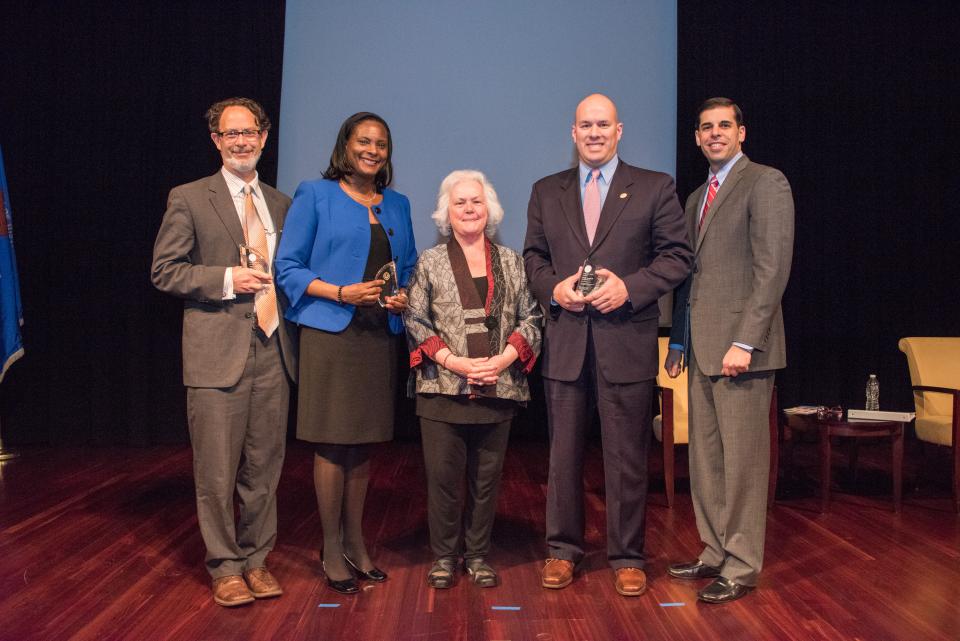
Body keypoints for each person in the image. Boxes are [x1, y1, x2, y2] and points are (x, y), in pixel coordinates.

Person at [523, 94, 693, 596]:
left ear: (619, 131)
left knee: (626, 458)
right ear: (572, 134)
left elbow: (678, 257)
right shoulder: (545, 190)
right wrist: (553, 289)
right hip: (568, 344)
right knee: (563, 456)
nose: (594, 132)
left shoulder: (655, 187)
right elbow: (533, 257)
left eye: (603, 124)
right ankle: (563, 551)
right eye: (585, 125)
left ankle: (627, 556)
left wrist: (631, 287)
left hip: (628, 342)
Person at [151, 97, 297, 607]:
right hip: (216, 356)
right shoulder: (190, 198)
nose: (242, 141)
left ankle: (257, 561)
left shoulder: (281, 204)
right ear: (216, 141)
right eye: (231, 133)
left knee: (264, 468)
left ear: (263, 138)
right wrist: (228, 279)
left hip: (274, 352)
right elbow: (165, 270)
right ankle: (225, 567)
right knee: (216, 471)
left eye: (250, 132)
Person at [275, 112, 417, 595]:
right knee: (333, 443)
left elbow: (410, 267)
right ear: (346, 145)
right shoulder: (314, 195)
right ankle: (330, 547)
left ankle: (356, 543)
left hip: (379, 335)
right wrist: (339, 292)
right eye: (363, 141)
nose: (372, 150)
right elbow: (287, 268)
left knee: (363, 444)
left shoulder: (397, 203)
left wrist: (404, 295)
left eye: (381, 143)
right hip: (330, 334)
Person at [665, 97, 794, 604]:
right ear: (697, 138)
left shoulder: (766, 182)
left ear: (742, 132)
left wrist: (745, 340)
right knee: (706, 461)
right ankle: (714, 552)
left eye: (724, 125)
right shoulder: (696, 197)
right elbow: (689, 277)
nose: (715, 133)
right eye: (705, 127)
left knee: (742, 463)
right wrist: (678, 339)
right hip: (700, 349)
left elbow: (772, 269)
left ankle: (741, 566)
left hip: (743, 351)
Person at [404, 170, 542, 589]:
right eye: (460, 202)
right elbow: (414, 317)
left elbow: (532, 317)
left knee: (486, 482)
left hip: (498, 387)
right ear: (447, 211)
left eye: (476, 202)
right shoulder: (429, 262)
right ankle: (445, 556)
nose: (468, 209)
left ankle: (478, 555)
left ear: (490, 210)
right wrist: (457, 364)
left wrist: (500, 361)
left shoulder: (512, 262)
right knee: (444, 482)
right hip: (442, 388)